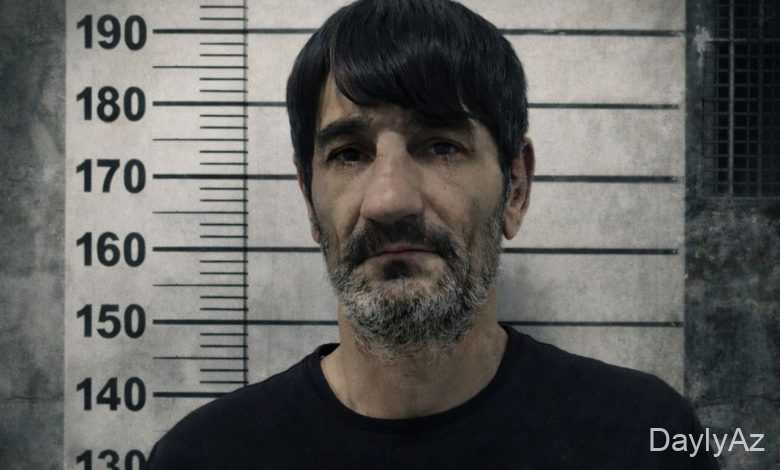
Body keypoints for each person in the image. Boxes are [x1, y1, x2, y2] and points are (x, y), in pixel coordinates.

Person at [147, 1, 719, 468]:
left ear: (515, 188)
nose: (389, 201)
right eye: (349, 154)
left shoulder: (645, 439)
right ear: (309, 202)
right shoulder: (202, 458)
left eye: (441, 146)